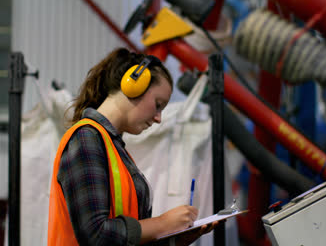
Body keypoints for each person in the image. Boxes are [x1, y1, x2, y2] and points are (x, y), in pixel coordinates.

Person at [48, 47, 220, 245]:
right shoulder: (86, 139)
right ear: (133, 85)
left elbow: (125, 239)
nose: (158, 118)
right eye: (157, 104)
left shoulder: (113, 149)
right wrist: (163, 224)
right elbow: (96, 235)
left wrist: (174, 240)